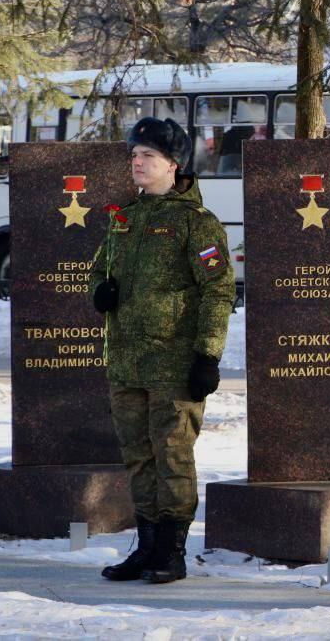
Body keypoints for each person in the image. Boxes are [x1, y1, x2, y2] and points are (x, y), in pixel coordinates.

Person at [89, 117, 234, 584]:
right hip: (127, 362)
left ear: (173, 164)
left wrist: (207, 356)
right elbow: (97, 269)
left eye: (147, 155)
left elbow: (218, 290)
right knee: (138, 458)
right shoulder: (124, 217)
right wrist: (100, 291)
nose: (137, 161)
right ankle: (148, 547)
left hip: (173, 365)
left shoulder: (197, 223)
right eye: (134, 154)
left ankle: (172, 551)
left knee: (172, 456)